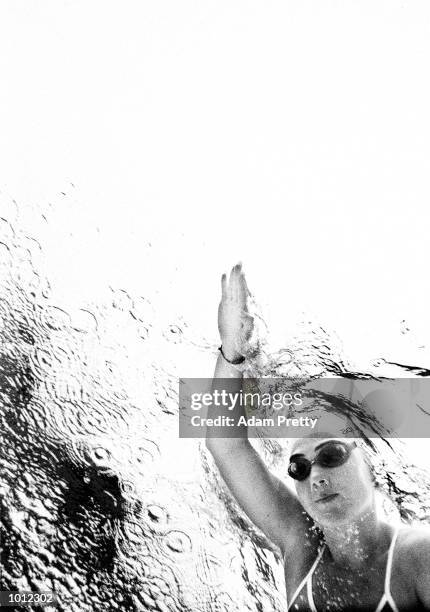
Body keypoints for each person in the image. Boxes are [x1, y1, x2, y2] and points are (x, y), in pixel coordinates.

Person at [205, 262, 430, 611]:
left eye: (332, 454)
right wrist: (231, 353)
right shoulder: (302, 548)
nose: (317, 476)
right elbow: (226, 444)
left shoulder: (419, 557)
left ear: (368, 460)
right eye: (299, 468)